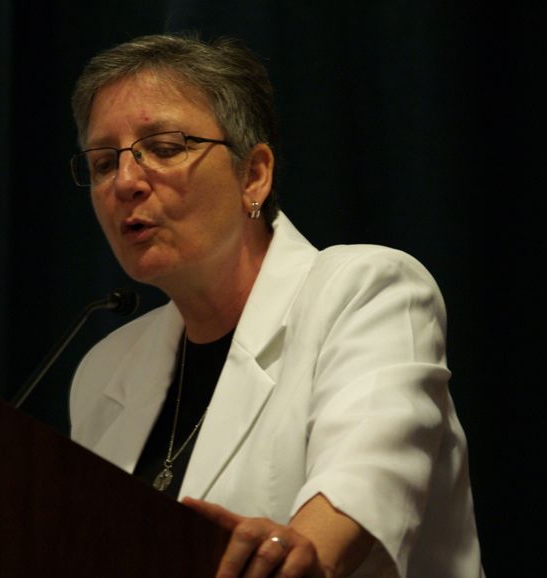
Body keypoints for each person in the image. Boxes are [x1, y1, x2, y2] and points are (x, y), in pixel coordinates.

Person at [68, 33, 484, 578]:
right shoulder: (104, 369)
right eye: (102, 163)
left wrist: (298, 555)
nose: (124, 182)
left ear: (253, 175)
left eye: (165, 148)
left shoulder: (367, 291)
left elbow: (367, 480)